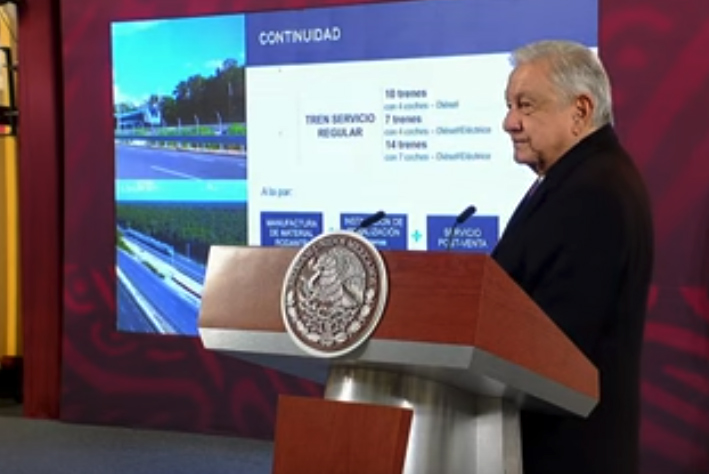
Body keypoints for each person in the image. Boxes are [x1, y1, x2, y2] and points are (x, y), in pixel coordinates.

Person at [491, 40, 654, 474]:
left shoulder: (593, 191)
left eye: (525, 105)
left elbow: (557, 343)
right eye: (508, 105)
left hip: (565, 451)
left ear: (580, 112)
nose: (509, 122)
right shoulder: (581, 177)